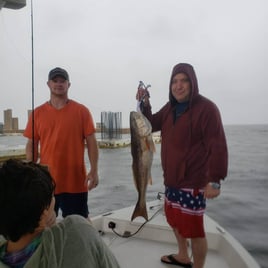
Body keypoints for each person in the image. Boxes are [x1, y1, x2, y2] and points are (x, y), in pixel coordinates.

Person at [136, 63, 228, 268]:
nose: (178, 86)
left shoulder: (207, 109)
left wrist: (215, 180)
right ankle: (183, 255)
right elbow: (150, 123)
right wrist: (145, 103)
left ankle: (198, 265)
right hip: (172, 179)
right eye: (174, 82)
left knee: (194, 230)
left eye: (183, 81)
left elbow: (218, 146)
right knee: (174, 219)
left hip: (193, 182)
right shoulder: (170, 108)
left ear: (192, 83)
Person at [0, 159, 120, 268]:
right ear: (43, 213)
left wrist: (43, 224)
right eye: (52, 196)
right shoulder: (77, 230)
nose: (54, 199)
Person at [24, 67, 99, 219]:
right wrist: (30, 170)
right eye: (55, 80)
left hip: (76, 182)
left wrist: (94, 170)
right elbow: (32, 144)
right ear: (48, 84)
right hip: (46, 184)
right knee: (43, 226)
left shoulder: (81, 111)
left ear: (68, 85)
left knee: (78, 226)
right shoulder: (37, 114)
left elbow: (92, 143)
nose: (59, 84)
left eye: (62, 81)